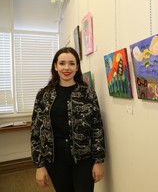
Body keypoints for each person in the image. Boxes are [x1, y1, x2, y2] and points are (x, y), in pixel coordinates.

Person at [30, 47, 105, 192]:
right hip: (55, 160)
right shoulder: (43, 95)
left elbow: (97, 128)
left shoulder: (88, 93)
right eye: (62, 63)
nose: (66, 67)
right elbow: (35, 132)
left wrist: (99, 161)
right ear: (55, 66)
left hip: (84, 160)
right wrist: (39, 166)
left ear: (77, 67)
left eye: (71, 63)